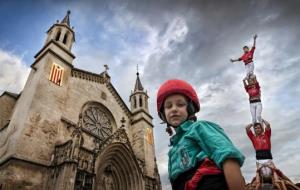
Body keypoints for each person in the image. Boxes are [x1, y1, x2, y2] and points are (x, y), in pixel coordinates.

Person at [157, 79, 245, 190]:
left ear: (190, 108)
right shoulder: (172, 150)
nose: (174, 109)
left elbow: (228, 158)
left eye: (180, 104)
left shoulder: (200, 127)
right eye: (168, 106)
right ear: (163, 114)